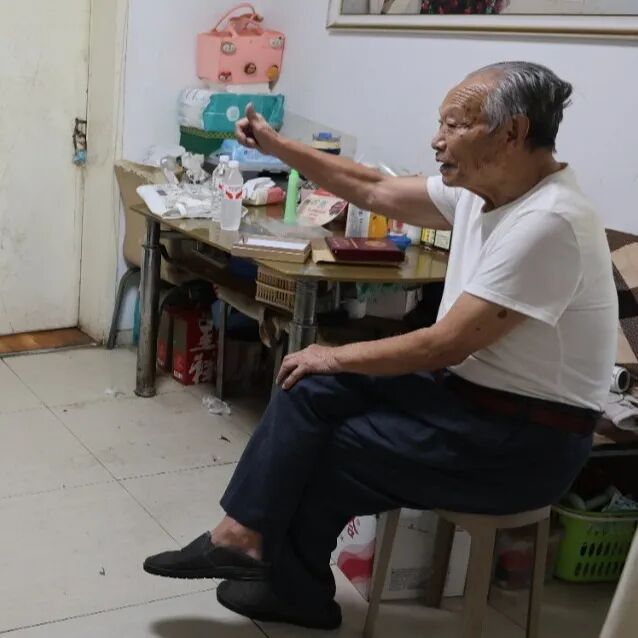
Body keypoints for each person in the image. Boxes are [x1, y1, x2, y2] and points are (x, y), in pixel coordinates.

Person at [143, 61, 618, 630]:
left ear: (512, 133)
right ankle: (239, 536)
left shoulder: (550, 221)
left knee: (330, 444)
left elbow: (443, 344)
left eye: (454, 125)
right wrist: (278, 146)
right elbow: (373, 187)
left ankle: (294, 589)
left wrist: (332, 352)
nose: (437, 140)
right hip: (470, 399)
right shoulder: (485, 191)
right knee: (306, 385)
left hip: (525, 441)